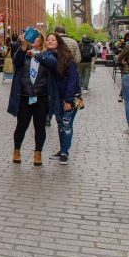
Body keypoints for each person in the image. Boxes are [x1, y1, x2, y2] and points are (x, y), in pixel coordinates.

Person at [8, 29, 51, 166]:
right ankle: (16, 150)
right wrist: (23, 47)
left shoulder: (46, 55)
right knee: (22, 125)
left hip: (41, 96)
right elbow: (16, 62)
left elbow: (53, 64)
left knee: (40, 127)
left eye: (36, 37)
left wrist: (37, 55)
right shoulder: (23, 53)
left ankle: (38, 152)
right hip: (25, 96)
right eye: (30, 37)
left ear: (41, 40)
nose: (33, 39)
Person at [38, 33, 81, 164]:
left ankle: (64, 153)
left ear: (59, 42)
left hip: (70, 97)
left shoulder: (67, 58)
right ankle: (63, 149)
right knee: (61, 124)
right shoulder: (47, 56)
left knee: (67, 124)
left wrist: (68, 100)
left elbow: (73, 80)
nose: (50, 41)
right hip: (57, 97)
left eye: (53, 39)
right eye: (48, 39)